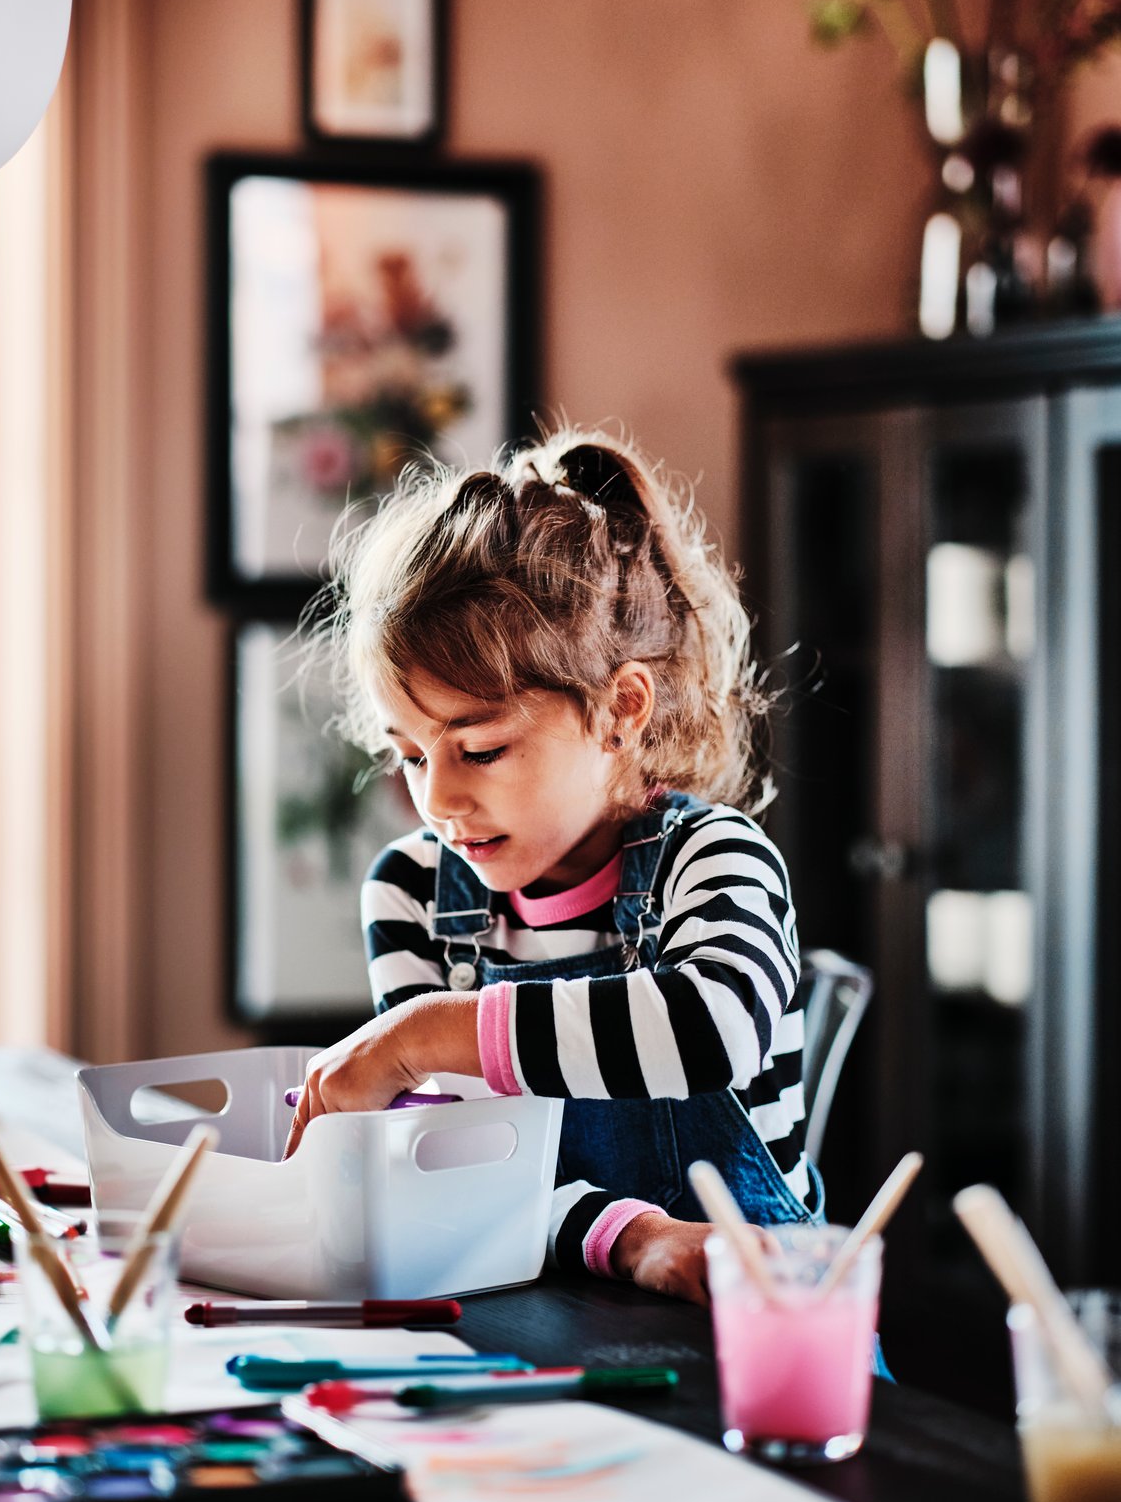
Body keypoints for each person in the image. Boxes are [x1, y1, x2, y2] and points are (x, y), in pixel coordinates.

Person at [284, 426, 815, 1305]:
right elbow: (454, 1167)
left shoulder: (714, 860)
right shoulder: (414, 891)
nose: (438, 800)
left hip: (759, 1327)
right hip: (544, 1306)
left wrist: (420, 1037)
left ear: (621, 711)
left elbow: (708, 1029)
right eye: (412, 755)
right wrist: (636, 1239)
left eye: (481, 750)